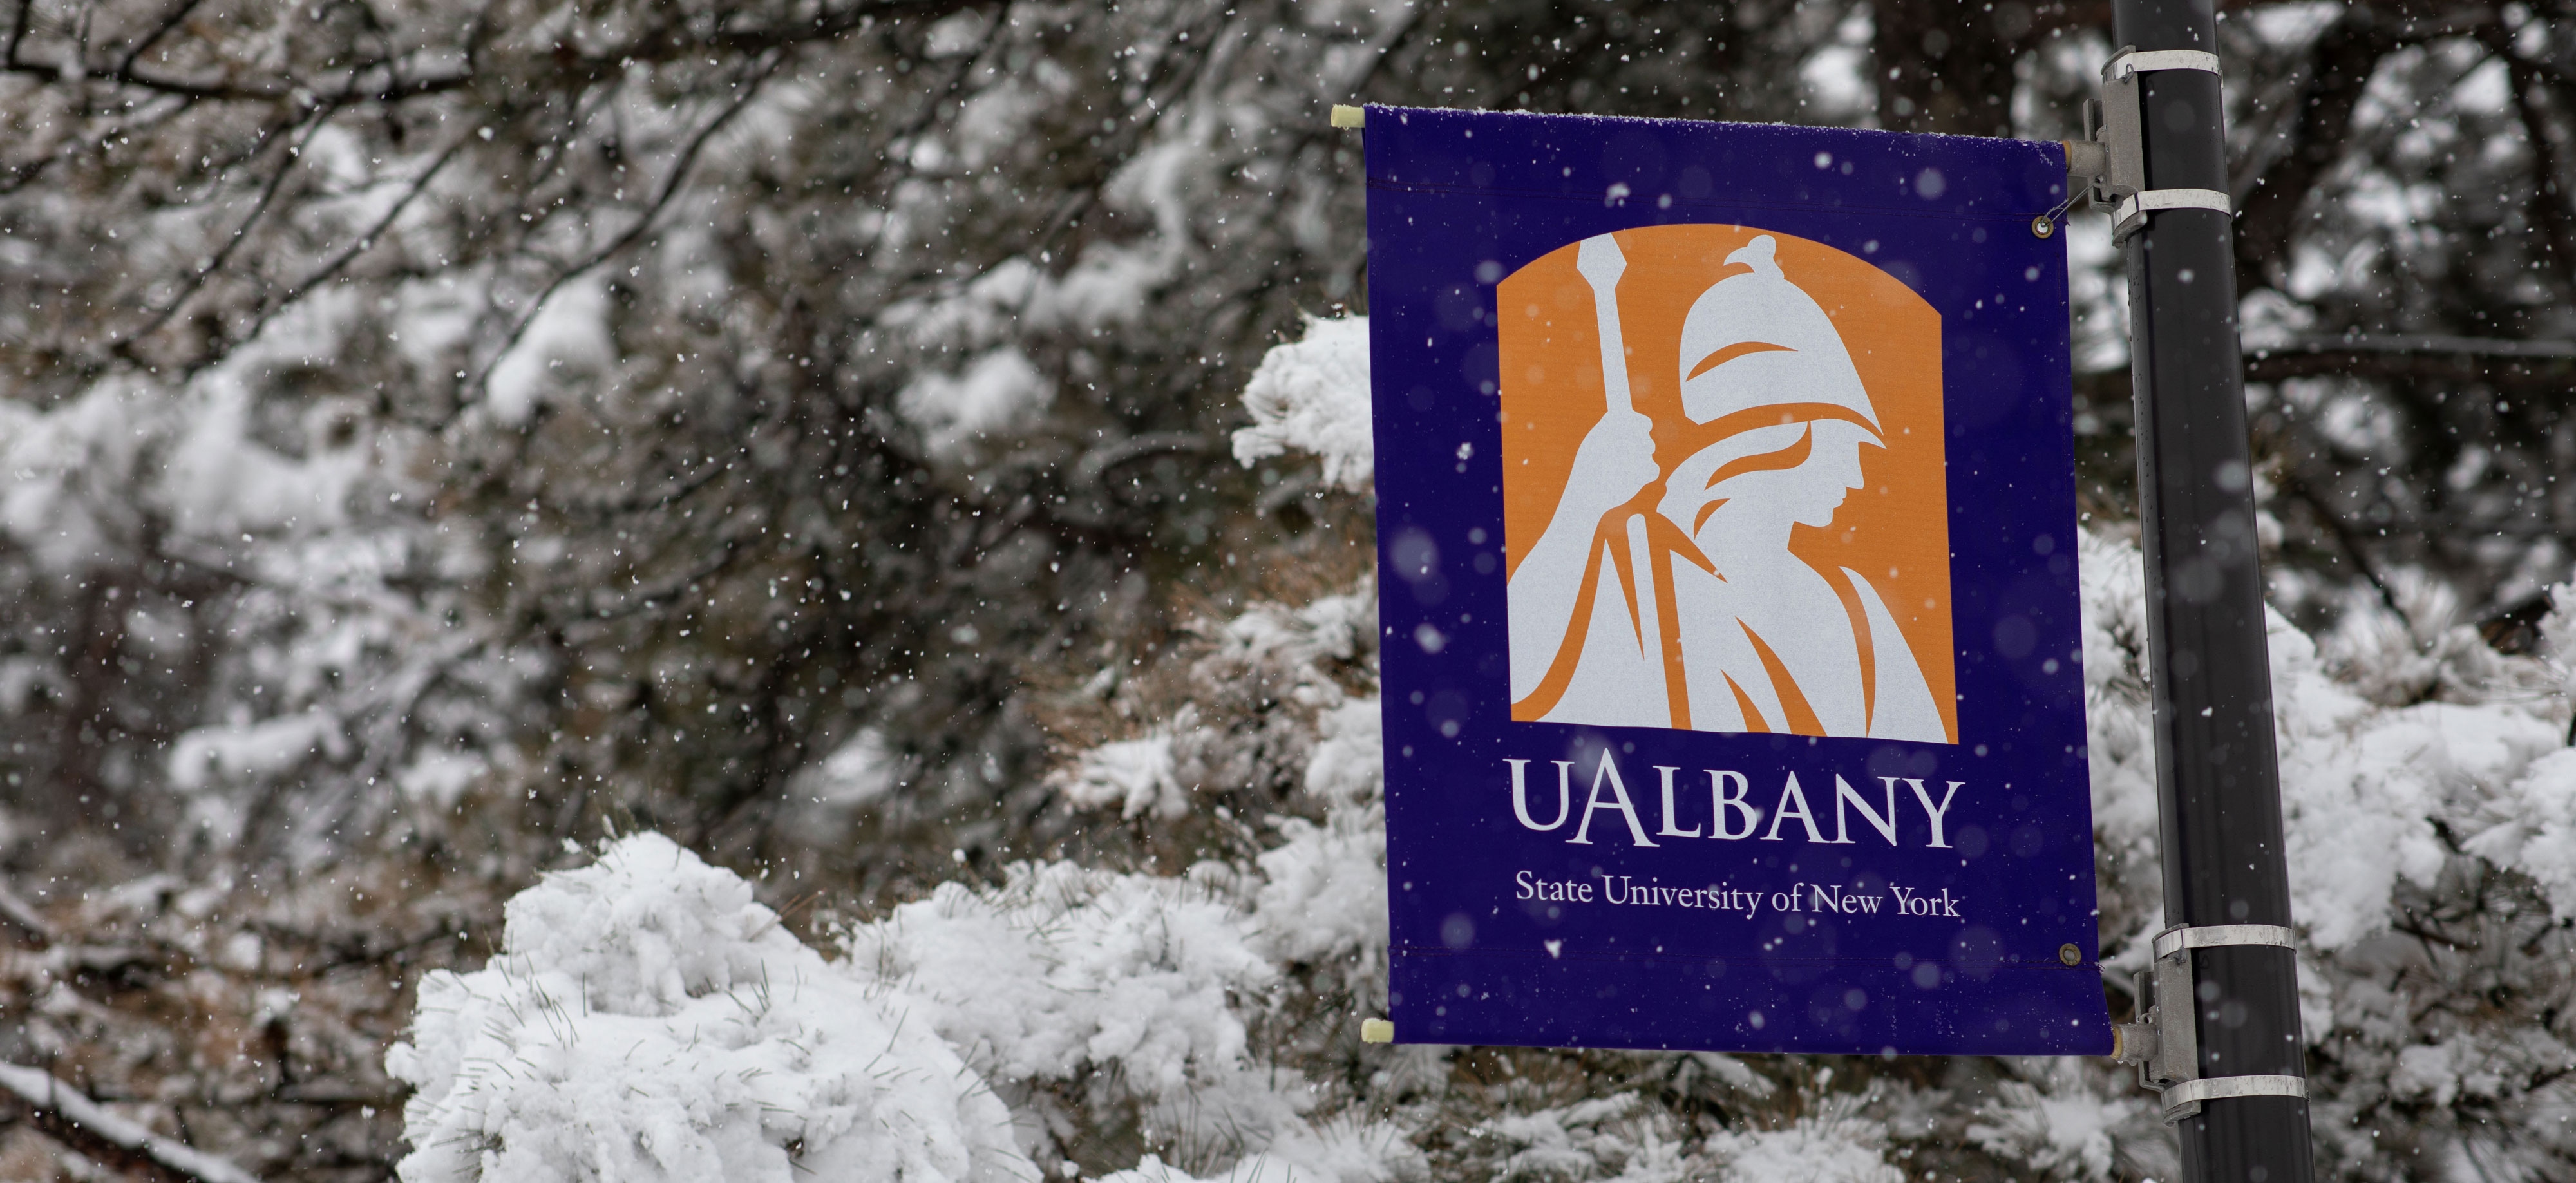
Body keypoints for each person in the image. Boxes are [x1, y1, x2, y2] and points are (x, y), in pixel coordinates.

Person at [1506, 234, 1947, 741]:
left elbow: (1931, 768)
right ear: (1781, 435)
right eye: (1842, 445)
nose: (1858, 477)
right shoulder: (1636, 573)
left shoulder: (1859, 607)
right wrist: (1580, 506)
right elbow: (1514, 683)